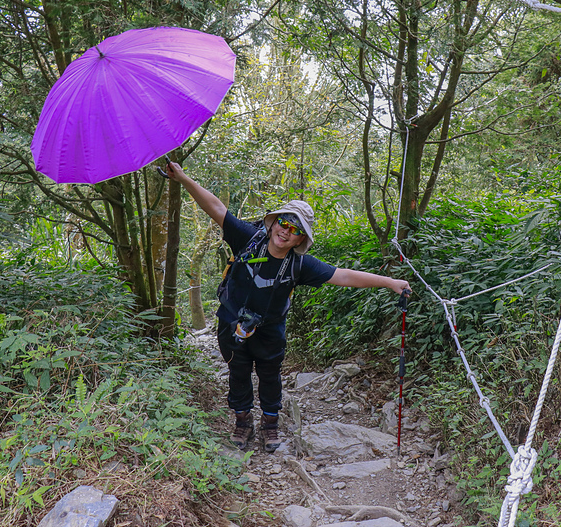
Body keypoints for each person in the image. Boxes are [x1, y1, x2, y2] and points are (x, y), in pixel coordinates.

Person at [166, 161, 410, 452]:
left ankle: (270, 424)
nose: (286, 231)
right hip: (231, 321)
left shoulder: (300, 264)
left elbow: (343, 276)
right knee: (238, 373)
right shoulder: (247, 238)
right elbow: (216, 208)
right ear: (274, 223)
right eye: (284, 223)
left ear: (301, 239)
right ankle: (242, 421)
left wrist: (389, 282)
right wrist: (183, 178)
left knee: (270, 376)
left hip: (269, 329)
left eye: (295, 229)